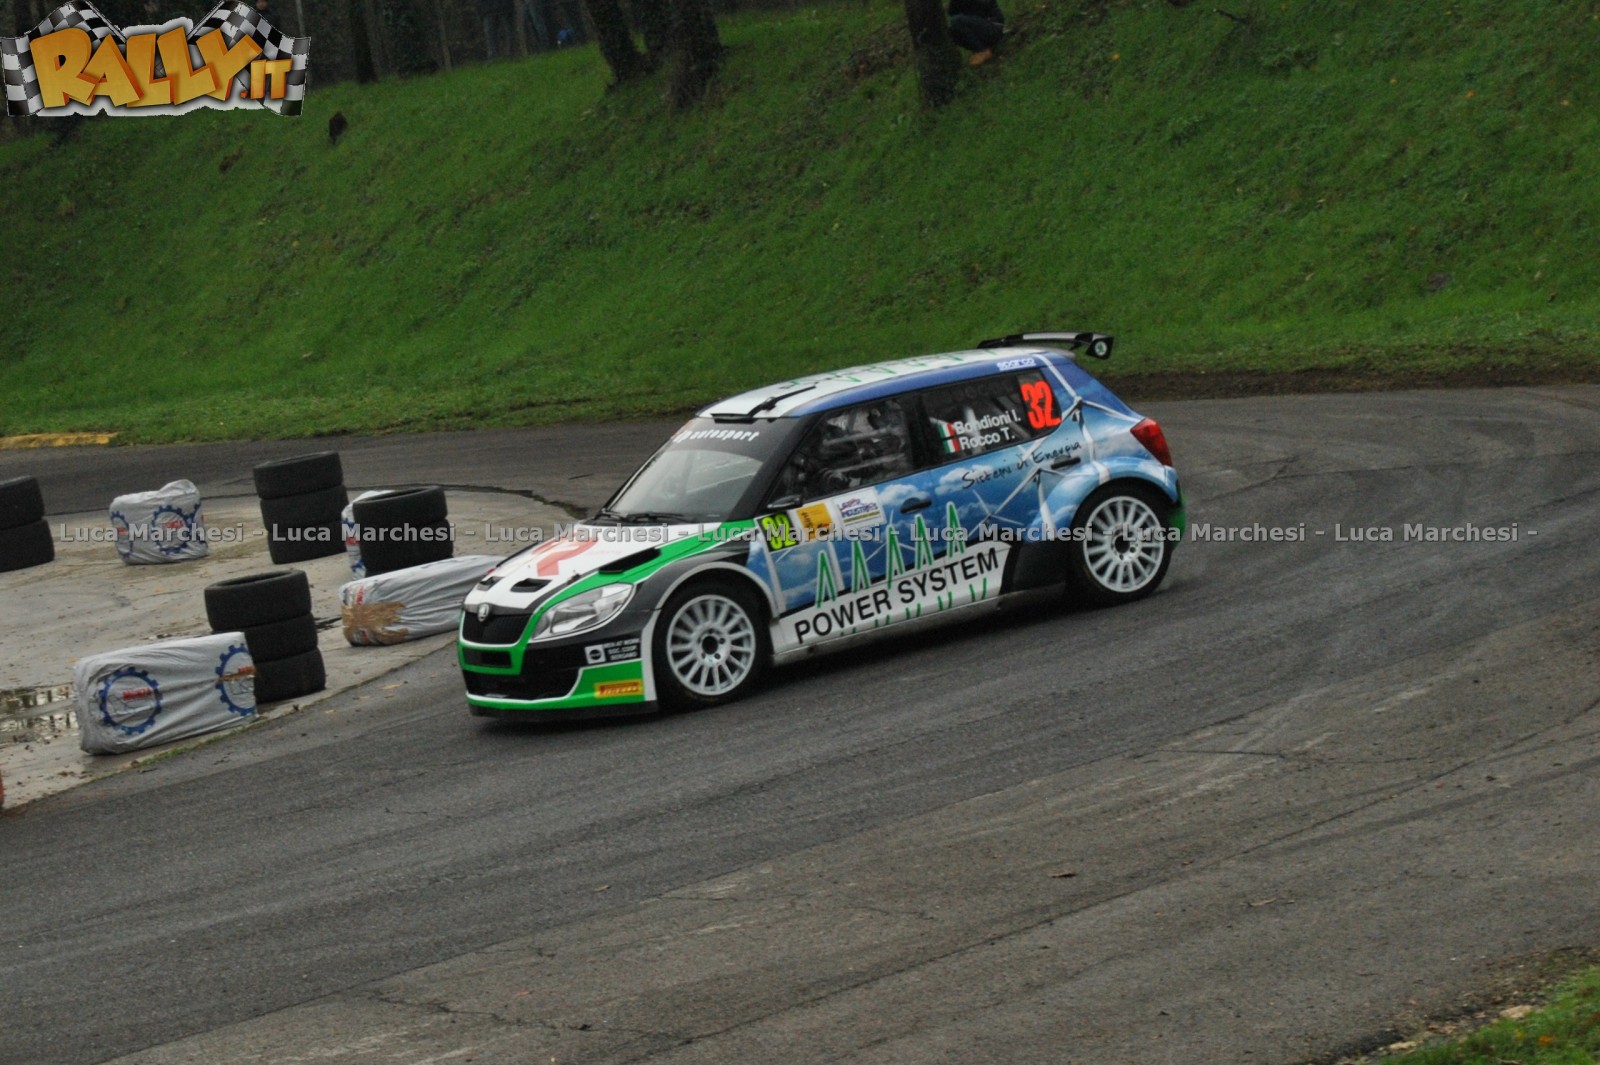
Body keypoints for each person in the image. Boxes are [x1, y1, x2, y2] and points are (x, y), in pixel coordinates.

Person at [947, 0, 1004, 65]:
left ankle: (982, 51)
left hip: (992, 27)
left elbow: (982, 6)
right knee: (952, 32)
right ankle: (980, 49)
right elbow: (951, 12)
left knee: (957, 20)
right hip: (980, 28)